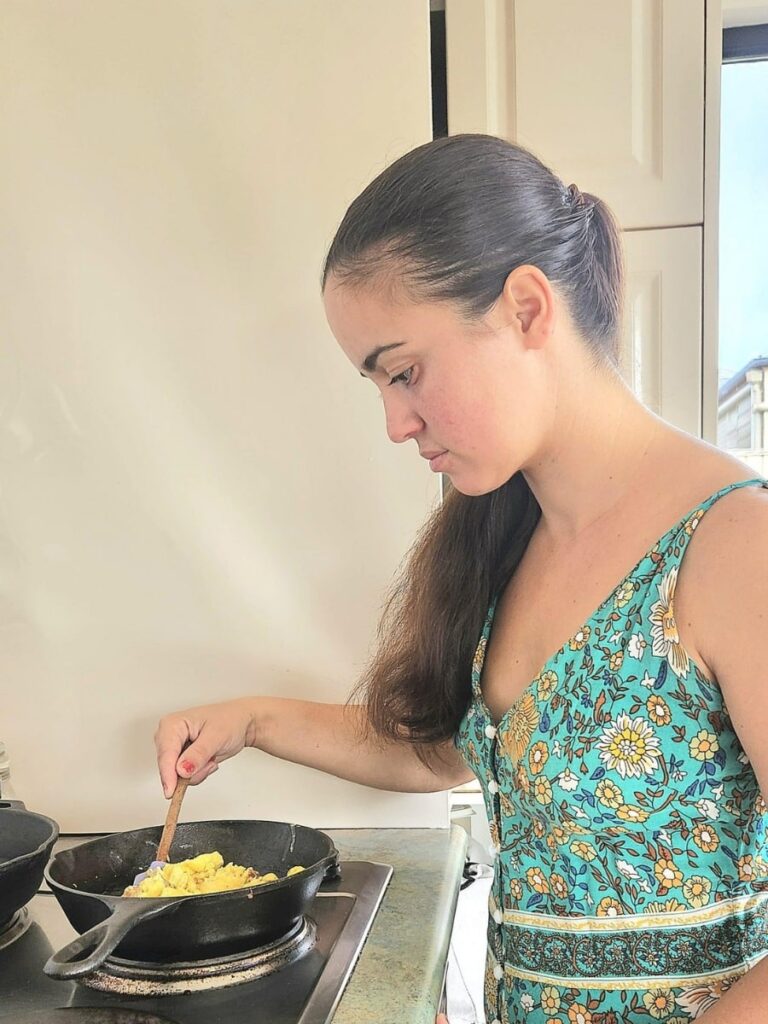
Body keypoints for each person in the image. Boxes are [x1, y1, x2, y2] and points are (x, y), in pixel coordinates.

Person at [154, 134, 768, 1024]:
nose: (397, 423)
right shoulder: (512, 534)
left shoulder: (733, 542)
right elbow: (460, 751)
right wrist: (251, 720)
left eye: (404, 373)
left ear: (525, 308)